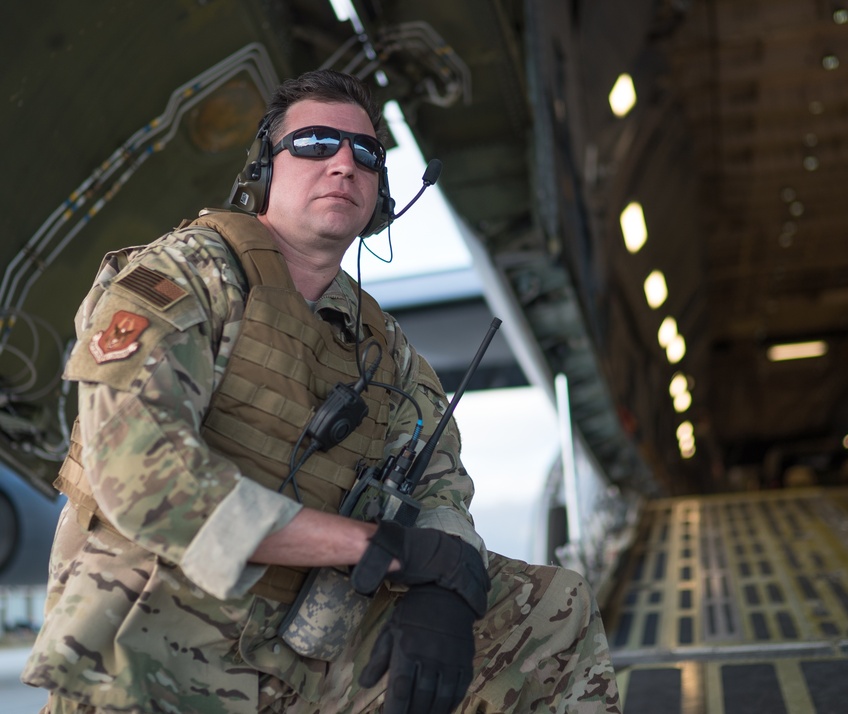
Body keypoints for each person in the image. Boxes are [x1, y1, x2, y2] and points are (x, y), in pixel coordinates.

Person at [21, 69, 621, 713]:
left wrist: (442, 592)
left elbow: (441, 486)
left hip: (300, 648)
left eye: (366, 153)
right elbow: (142, 477)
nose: (343, 164)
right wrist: (377, 550)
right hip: (152, 646)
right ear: (265, 171)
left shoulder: (383, 349)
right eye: (313, 143)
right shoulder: (186, 276)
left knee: (553, 609)